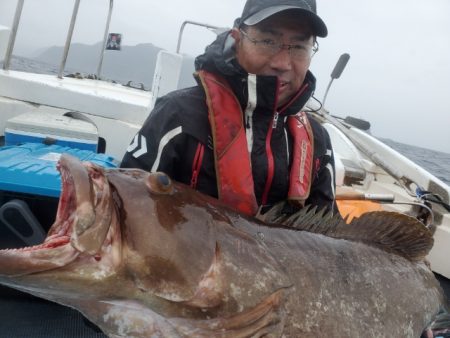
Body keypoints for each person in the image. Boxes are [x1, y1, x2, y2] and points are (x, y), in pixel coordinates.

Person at [121, 0, 337, 216]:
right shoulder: (177, 115)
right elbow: (126, 209)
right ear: (237, 39)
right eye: (268, 41)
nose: (283, 63)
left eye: (299, 47)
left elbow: (327, 232)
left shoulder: (317, 139)